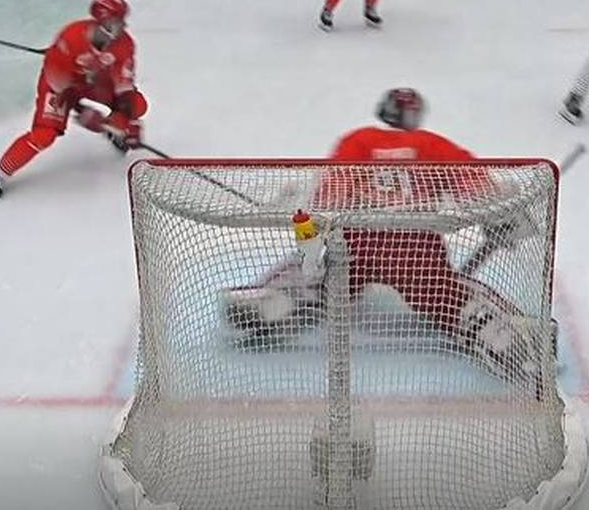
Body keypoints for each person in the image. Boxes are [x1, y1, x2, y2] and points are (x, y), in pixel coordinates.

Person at [221, 88, 545, 390]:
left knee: (318, 279)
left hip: (358, 247)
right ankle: (495, 331)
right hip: (416, 251)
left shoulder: (358, 141)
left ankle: (280, 300)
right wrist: (506, 215)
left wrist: (310, 240)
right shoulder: (432, 144)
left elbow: (328, 199)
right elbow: (481, 190)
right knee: (449, 295)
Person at [0, 0, 147, 200]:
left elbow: (124, 88)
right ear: (101, 23)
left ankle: (113, 131)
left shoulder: (125, 44)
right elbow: (62, 89)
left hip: (93, 82)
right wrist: (84, 112)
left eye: (122, 21)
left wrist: (123, 120)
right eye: (115, 22)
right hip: (59, 84)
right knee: (44, 134)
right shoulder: (71, 37)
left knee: (138, 105)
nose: (122, 27)